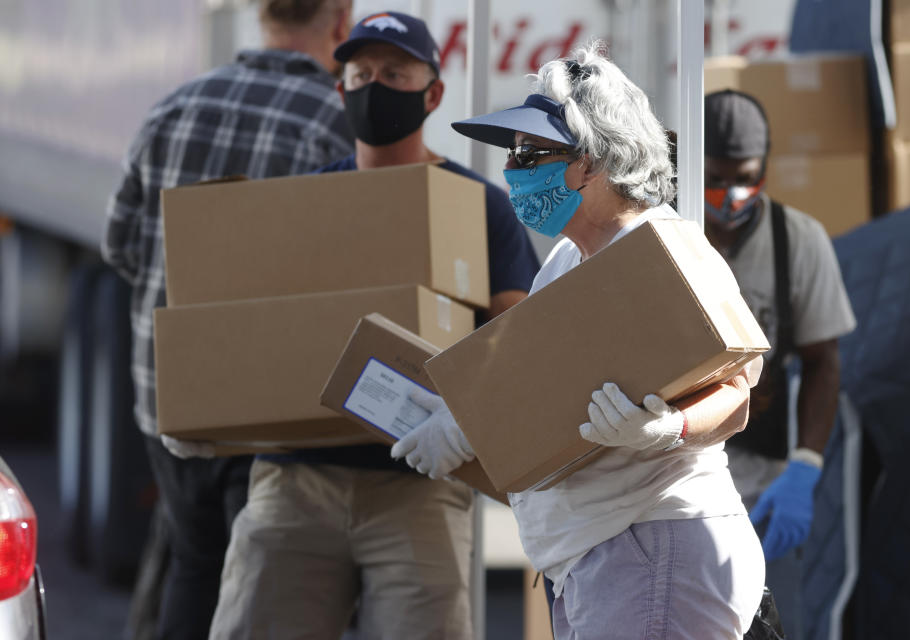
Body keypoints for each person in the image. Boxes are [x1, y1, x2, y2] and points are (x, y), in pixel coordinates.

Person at [393, 42, 767, 639]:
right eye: (513, 153)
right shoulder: (569, 259)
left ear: (590, 163)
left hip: (653, 545)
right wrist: (462, 423)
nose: (513, 170)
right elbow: (535, 375)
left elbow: (737, 389)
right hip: (603, 555)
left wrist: (669, 429)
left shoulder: (663, 249)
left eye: (530, 153)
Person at [208, 11, 540, 640]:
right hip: (297, 482)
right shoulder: (304, 202)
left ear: (432, 93)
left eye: (394, 73)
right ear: (341, 89)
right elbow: (252, 330)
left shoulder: (480, 206)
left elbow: (516, 336)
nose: (374, 87)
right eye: (360, 74)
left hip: (418, 487)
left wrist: (464, 422)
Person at [101, 2, 354, 638]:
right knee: (261, 581)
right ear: (341, 20)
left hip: (171, 395)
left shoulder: (174, 107)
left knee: (194, 560)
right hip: (273, 403)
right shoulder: (334, 121)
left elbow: (120, 245)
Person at [701, 89, 856, 637]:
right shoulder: (667, 239)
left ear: (764, 167)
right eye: (716, 179)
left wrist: (806, 466)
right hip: (678, 481)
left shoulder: (799, 242)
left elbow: (822, 362)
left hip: (764, 490)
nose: (732, 195)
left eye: (746, 177)